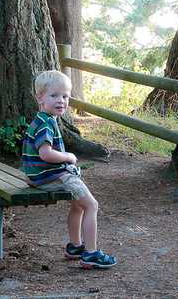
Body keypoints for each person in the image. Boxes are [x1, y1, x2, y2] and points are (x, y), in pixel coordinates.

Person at [22, 70, 117, 269]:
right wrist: (69, 157)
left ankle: (75, 246)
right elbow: (46, 154)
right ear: (40, 97)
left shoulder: (44, 120)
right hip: (52, 175)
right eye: (54, 96)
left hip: (42, 175)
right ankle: (90, 254)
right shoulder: (45, 124)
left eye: (65, 96)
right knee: (91, 205)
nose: (61, 101)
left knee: (78, 205)